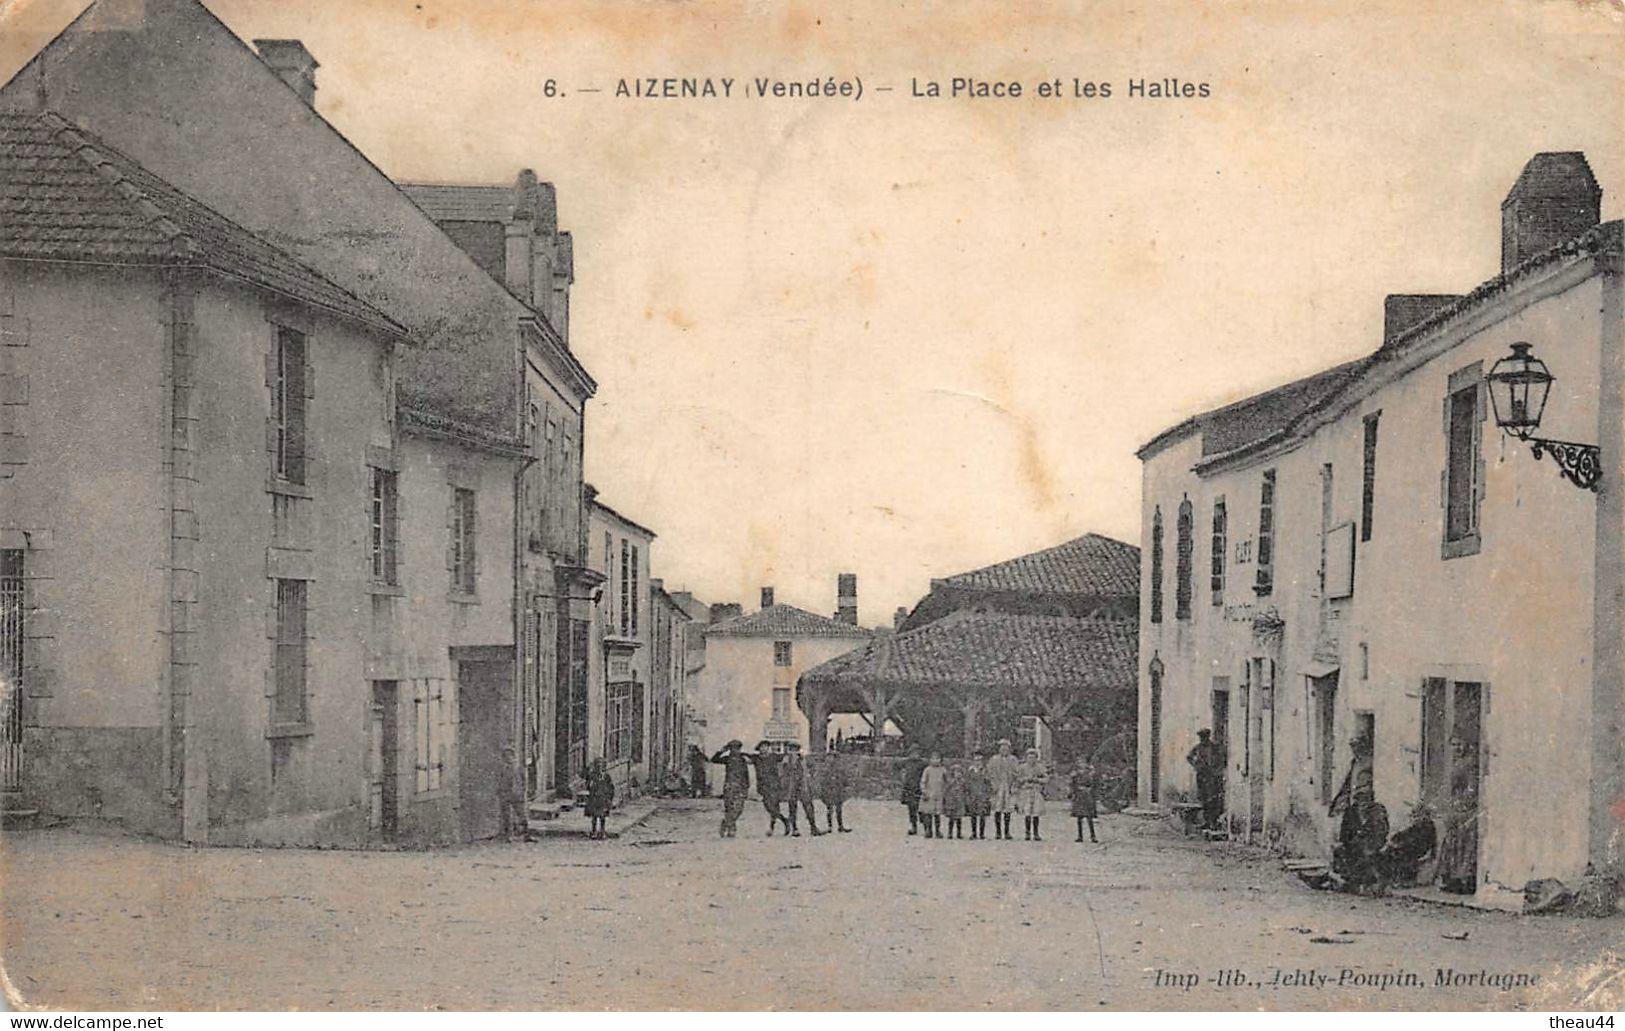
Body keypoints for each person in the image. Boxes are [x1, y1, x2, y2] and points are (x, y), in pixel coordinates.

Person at [1437, 738, 1479, 894]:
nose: (1457, 748)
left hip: (1465, 811)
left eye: (1460, 744)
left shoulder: (1469, 764)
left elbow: (1472, 789)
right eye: (1453, 745)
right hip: (1456, 809)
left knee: (1463, 843)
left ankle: (1462, 878)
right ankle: (1452, 877)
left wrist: (1461, 805)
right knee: (1452, 842)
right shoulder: (1458, 763)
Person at [710, 739, 751, 838]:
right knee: (729, 808)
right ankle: (731, 828)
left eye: (737, 748)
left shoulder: (743, 759)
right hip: (729, 786)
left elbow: (746, 773)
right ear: (730, 749)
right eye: (733, 748)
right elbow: (714, 759)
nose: (735, 750)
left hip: (741, 786)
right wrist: (722, 750)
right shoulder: (727, 758)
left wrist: (747, 785)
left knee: (739, 809)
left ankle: (726, 823)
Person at [781, 742, 824, 836]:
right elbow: (784, 772)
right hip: (792, 786)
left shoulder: (803, 758)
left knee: (809, 806)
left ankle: (813, 827)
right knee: (792, 808)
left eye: (795, 749)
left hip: (803, 786)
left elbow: (812, 767)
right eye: (792, 749)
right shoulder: (786, 759)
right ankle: (794, 829)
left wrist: (811, 776)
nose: (794, 751)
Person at [1186, 729, 1225, 830]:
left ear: (1208, 737)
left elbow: (1221, 758)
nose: (1203, 739)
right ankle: (1207, 821)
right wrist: (1196, 765)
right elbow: (1189, 757)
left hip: (1212, 776)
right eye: (1201, 737)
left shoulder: (1214, 747)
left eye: (1204, 737)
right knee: (1203, 797)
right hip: (1201, 775)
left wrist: (1217, 769)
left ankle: (1213, 822)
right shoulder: (1197, 748)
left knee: (1212, 798)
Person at [750, 742, 789, 836]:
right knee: (769, 807)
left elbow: (786, 757)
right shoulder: (756, 758)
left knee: (773, 807)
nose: (763, 749)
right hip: (763, 786)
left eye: (765, 747)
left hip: (774, 785)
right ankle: (784, 820)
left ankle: (772, 827)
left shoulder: (774, 756)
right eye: (761, 747)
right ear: (758, 749)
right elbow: (745, 757)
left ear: (768, 748)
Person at [985, 739, 1020, 840]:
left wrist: (1013, 785)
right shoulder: (994, 759)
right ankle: (998, 832)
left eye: (1006, 747)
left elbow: (1017, 774)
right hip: (997, 786)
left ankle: (1007, 831)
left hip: (1008, 786)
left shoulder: (1013, 760)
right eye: (1002, 747)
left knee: (1008, 809)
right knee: (997, 808)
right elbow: (989, 773)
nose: (1004, 749)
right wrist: (993, 784)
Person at [816, 749, 853, 832]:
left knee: (839, 808)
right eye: (829, 757)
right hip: (829, 791)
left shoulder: (840, 769)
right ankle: (830, 826)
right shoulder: (826, 769)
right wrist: (823, 790)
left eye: (833, 757)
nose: (830, 759)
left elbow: (844, 779)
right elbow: (822, 781)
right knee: (830, 809)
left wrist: (846, 786)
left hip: (838, 791)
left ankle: (840, 826)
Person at [498, 745, 529, 843]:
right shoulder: (502, 769)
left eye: (510, 755)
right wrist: (500, 792)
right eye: (506, 756)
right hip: (505, 794)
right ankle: (507, 836)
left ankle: (526, 835)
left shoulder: (518, 768)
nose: (508, 758)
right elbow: (498, 781)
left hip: (517, 794)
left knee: (522, 815)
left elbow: (524, 780)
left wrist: (523, 790)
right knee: (506, 816)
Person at [1016, 747, 1048, 841]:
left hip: (1036, 791)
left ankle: (1036, 833)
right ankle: (1027, 833)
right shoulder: (1022, 767)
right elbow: (1017, 779)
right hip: (1026, 791)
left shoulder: (1040, 768)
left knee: (1036, 812)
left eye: (1033, 758)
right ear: (1026, 758)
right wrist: (1025, 779)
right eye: (1029, 757)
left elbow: (1046, 779)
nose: (1031, 760)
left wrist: (1037, 780)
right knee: (1027, 812)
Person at [584, 757, 615, 840]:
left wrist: (610, 798)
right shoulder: (592, 776)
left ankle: (602, 831)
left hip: (603, 798)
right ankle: (594, 831)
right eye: (597, 766)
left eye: (600, 766)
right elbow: (587, 786)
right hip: (594, 798)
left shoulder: (606, 776)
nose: (599, 767)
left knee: (602, 816)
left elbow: (611, 787)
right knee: (594, 816)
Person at [1069, 758, 1099, 843]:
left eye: (1083, 763)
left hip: (1087, 796)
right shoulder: (1075, 775)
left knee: (1089, 817)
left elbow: (1094, 784)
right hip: (1079, 796)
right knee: (1079, 817)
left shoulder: (1090, 774)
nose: (1082, 765)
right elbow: (1072, 785)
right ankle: (1080, 836)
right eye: (1080, 763)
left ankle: (1093, 836)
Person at [899, 746, 926, 835]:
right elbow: (898, 768)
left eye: (917, 753)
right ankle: (914, 826)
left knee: (921, 808)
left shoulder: (923, 764)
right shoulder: (906, 762)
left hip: (919, 788)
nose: (915, 755)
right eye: (912, 753)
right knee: (911, 809)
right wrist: (902, 777)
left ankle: (925, 825)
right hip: (909, 788)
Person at [918, 753, 947, 839]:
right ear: (930, 760)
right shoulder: (927, 770)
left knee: (937, 814)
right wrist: (923, 791)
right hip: (929, 793)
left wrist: (945, 791)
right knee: (928, 813)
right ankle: (928, 830)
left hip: (939, 794)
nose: (935, 760)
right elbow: (923, 781)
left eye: (937, 759)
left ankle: (937, 831)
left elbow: (946, 781)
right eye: (933, 759)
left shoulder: (943, 770)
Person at [965, 752, 992, 840]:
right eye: (976, 760)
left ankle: (981, 833)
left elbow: (988, 783)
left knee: (982, 815)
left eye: (980, 760)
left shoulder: (985, 770)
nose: (978, 762)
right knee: (973, 814)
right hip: (973, 794)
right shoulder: (970, 771)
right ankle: (973, 833)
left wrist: (988, 794)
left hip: (982, 795)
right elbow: (967, 783)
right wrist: (968, 794)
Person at [943, 759, 967, 839]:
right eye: (956, 772)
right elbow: (946, 789)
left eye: (959, 772)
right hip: (952, 801)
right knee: (951, 818)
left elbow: (965, 790)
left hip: (959, 801)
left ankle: (959, 833)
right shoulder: (950, 781)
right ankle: (950, 833)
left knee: (959, 818)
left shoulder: (963, 781)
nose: (958, 774)